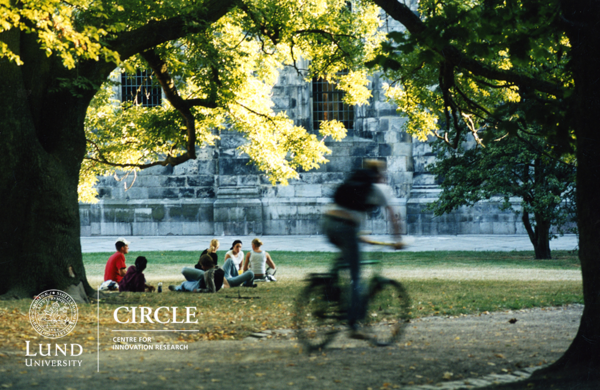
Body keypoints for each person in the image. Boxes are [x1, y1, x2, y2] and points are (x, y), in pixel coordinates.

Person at [322, 159, 403, 338]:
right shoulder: (380, 189)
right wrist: (397, 240)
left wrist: (359, 235)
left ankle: (328, 285)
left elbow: (348, 210)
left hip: (328, 222)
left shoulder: (354, 183)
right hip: (345, 227)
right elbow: (394, 215)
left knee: (346, 255)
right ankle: (353, 325)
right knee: (356, 278)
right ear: (380, 174)